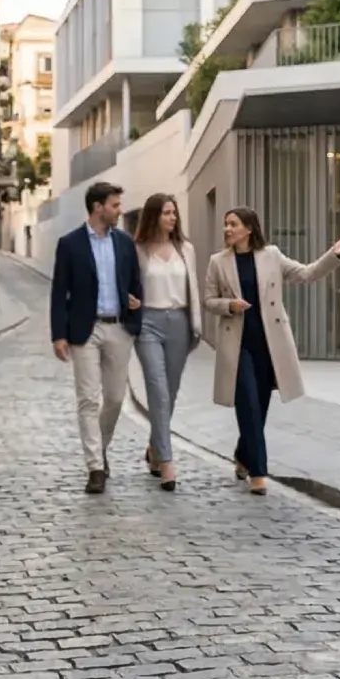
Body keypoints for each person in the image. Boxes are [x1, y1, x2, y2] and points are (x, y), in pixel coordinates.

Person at [203, 208, 340, 495]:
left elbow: (306, 273)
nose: (227, 229)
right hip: (236, 345)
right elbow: (209, 300)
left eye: (233, 224)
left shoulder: (271, 255)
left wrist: (333, 255)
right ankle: (258, 473)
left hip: (269, 344)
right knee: (248, 404)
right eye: (226, 224)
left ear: (249, 228)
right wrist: (229, 305)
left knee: (259, 408)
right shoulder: (218, 262)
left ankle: (243, 454)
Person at [50, 181, 144, 494]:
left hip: (118, 327)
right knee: (88, 399)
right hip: (84, 330)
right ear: (97, 207)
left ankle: (100, 447)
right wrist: (58, 334)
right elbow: (59, 292)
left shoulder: (125, 242)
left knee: (115, 398)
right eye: (114, 205)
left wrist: (135, 307)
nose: (119, 211)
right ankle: (95, 467)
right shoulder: (70, 244)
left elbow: (135, 283)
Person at [132, 193, 202, 492]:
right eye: (166, 213)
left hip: (179, 324)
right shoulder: (137, 250)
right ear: (153, 216)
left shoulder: (186, 249)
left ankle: (154, 447)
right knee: (157, 390)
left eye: (174, 213)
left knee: (169, 393)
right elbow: (128, 284)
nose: (172, 218)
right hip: (148, 323)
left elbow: (193, 287)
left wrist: (196, 325)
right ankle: (167, 462)